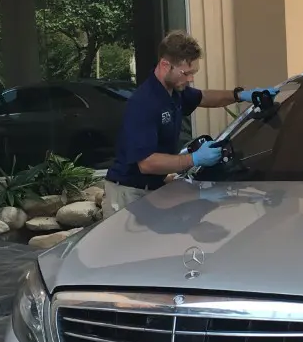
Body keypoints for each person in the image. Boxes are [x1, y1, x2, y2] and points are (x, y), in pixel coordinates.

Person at [102, 32, 280, 219]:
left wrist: (241, 95)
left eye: (193, 73)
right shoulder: (144, 103)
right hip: (128, 195)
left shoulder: (174, 91)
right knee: (133, 249)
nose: (190, 79)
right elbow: (147, 163)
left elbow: (204, 97)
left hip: (153, 189)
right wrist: (194, 159)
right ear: (164, 65)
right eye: (186, 73)